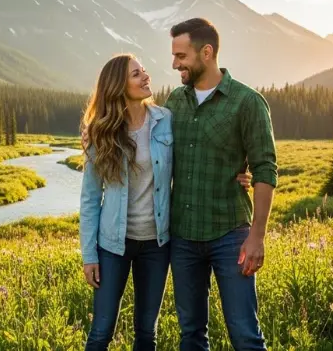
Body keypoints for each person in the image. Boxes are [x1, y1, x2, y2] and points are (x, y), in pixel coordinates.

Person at [79, 54, 252, 351]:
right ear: (118, 85)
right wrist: (89, 255)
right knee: (101, 332)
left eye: (144, 70)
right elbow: (91, 199)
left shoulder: (165, 119)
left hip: (156, 245)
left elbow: (199, 150)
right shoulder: (101, 133)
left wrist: (238, 172)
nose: (146, 76)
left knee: (147, 332)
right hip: (111, 245)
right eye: (136, 74)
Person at [165, 18, 278, 351]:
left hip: (231, 236)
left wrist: (257, 237)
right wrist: (96, 131)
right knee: (191, 334)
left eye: (181, 56)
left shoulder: (247, 102)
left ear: (207, 52)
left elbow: (265, 169)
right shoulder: (175, 101)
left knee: (245, 334)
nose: (175, 64)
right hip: (182, 237)